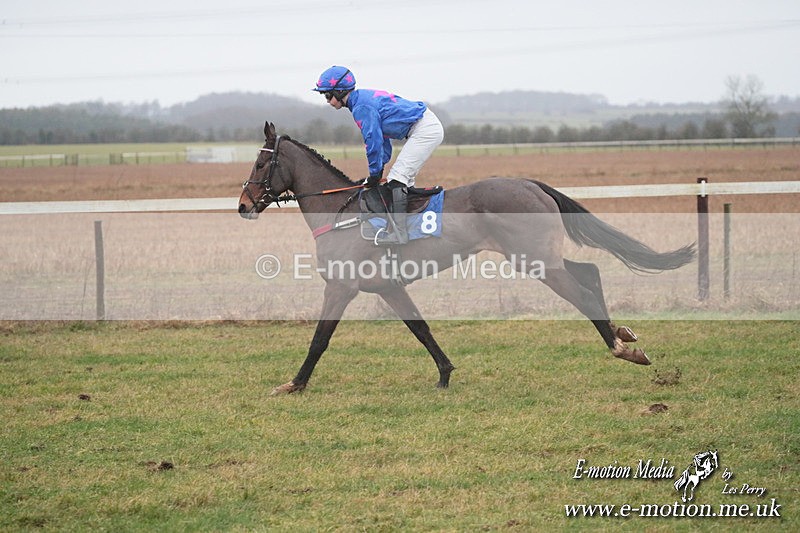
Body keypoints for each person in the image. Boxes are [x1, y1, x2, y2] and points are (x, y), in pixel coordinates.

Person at [313, 65, 444, 244]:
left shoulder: (361, 107)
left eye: (328, 95)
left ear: (341, 91)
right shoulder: (360, 101)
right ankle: (413, 229)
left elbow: (372, 140)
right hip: (422, 127)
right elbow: (383, 141)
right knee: (400, 181)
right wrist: (379, 168)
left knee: (398, 179)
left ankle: (399, 235)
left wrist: (375, 173)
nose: (327, 101)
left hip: (425, 129)